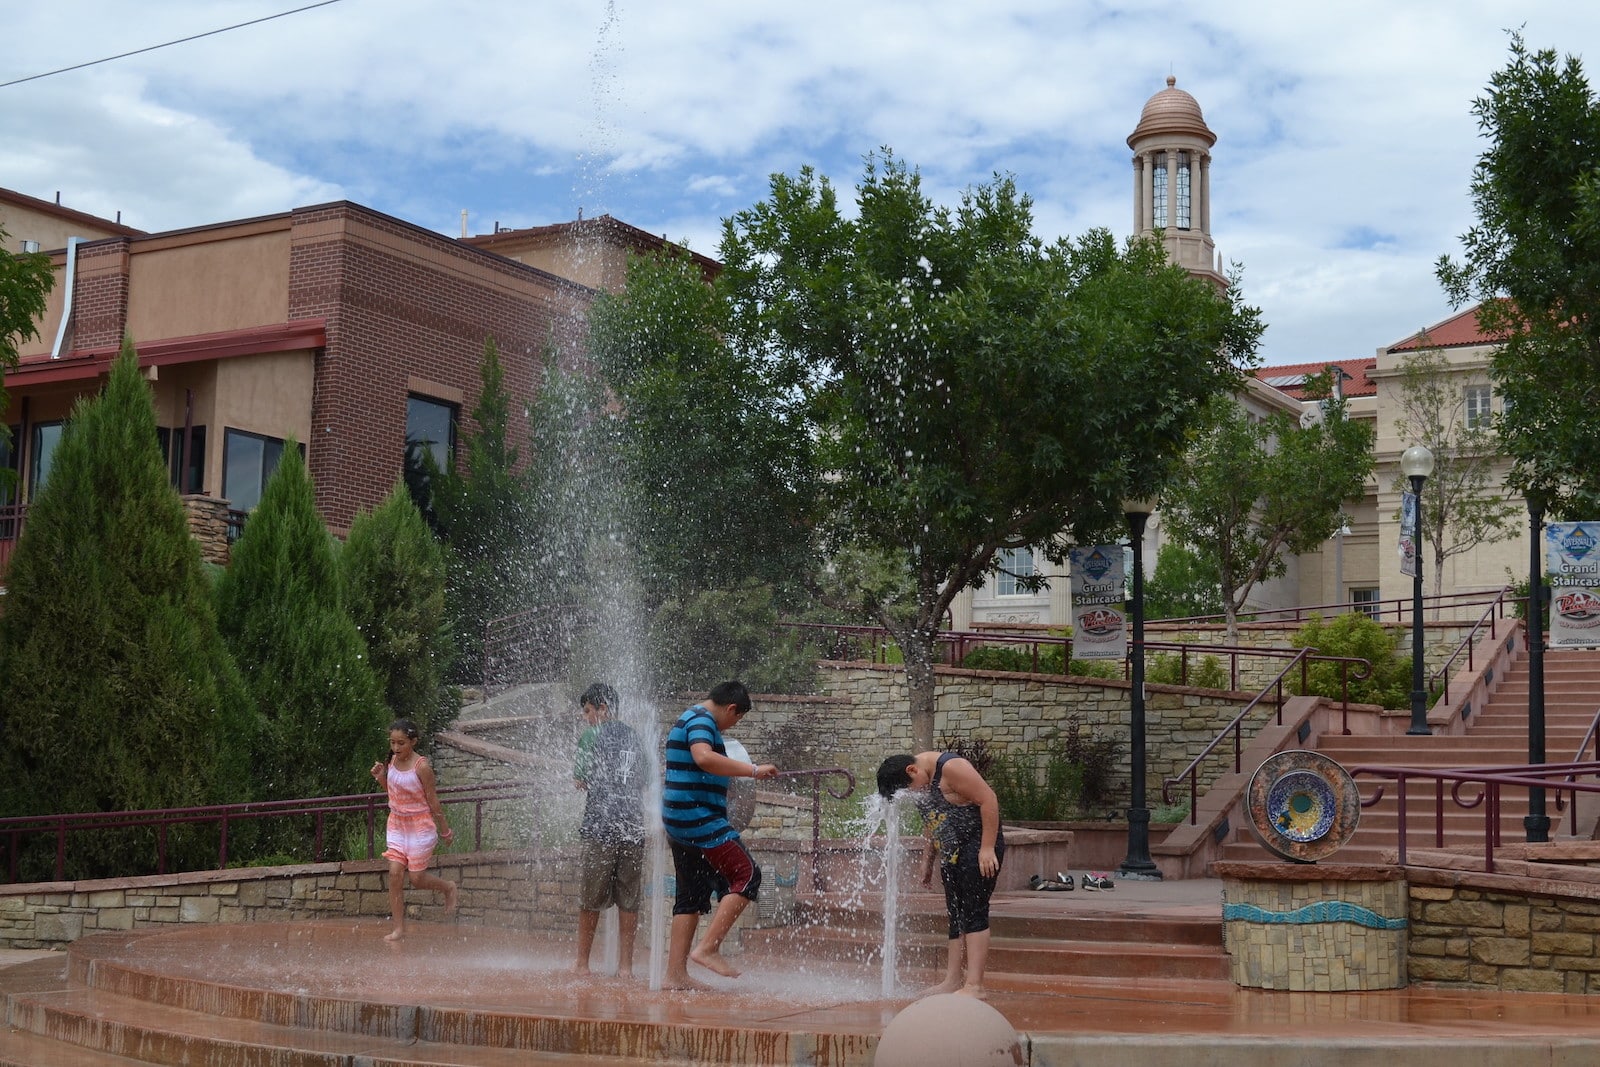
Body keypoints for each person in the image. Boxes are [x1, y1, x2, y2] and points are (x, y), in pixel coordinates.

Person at [661, 680, 779, 989]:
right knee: (748, 874)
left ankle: (674, 977)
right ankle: (709, 948)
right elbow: (703, 757)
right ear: (731, 708)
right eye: (737, 718)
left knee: (690, 897)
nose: (732, 726)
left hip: (679, 821)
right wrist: (752, 770)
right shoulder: (702, 721)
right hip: (699, 819)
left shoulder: (688, 717)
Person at [877, 750, 1005, 998]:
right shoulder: (920, 780)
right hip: (951, 849)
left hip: (978, 846)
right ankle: (952, 980)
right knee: (955, 912)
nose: (914, 794)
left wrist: (987, 848)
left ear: (911, 771)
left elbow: (989, 799)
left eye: (910, 789)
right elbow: (932, 818)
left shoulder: (951, 767)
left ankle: (975, 985)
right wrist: (927, 858)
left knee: (974, 908)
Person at [571, 682, 648, 977]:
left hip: (600, 827)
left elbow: (580, 781)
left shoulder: (591, 735)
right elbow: (644, 782)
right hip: (633, 827)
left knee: (591, 897)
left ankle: (582, 964)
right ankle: (626, 967)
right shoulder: (636, 736)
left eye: (588, 710)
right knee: (629, 899)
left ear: (603, 708)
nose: (585, 717)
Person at [370, 718, 458, 941]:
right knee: (395, 873)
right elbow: (395, 794)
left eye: (401, 743)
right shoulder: (391, 761)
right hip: (397, 824)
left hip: (420, 826)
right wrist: (381, 778)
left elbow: (433, 801)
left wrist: (445, 831)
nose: (396, 748)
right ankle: (398, 928)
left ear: (413, 741)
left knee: (417, 879)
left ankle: (448, 887)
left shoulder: (423, 767)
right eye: (392, 743)